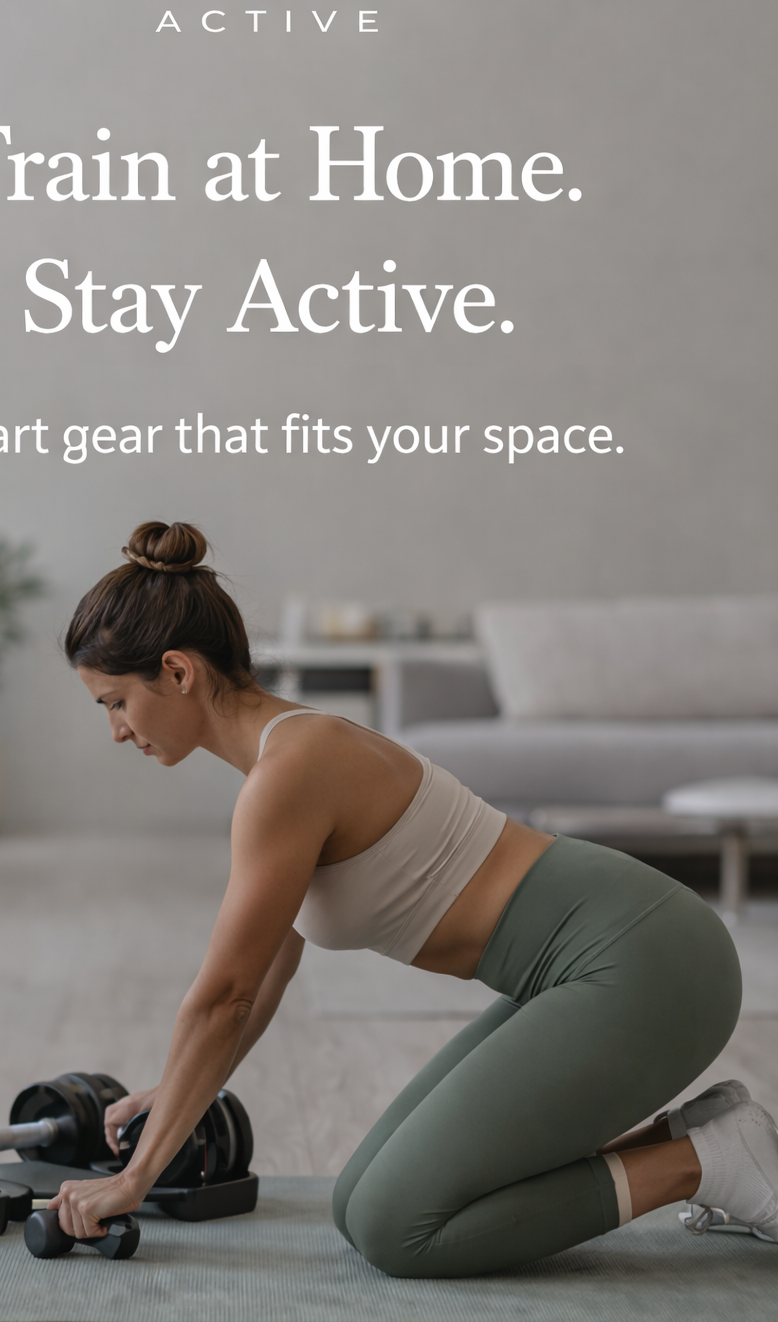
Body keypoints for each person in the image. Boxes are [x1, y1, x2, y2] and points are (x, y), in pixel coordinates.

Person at [47, 520, 778, 1276]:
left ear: (176, 671)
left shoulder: (289, 772)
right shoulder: (284, 762)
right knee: (359, 1202)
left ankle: (702, 1164)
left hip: (647, 964)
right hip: (596, 964)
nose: (116, 730)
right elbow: (259, 980)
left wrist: (133, 1180)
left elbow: (221, 997)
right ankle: (704, 1138)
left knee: (401, 1227)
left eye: (114, 702)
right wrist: (175, 1096)